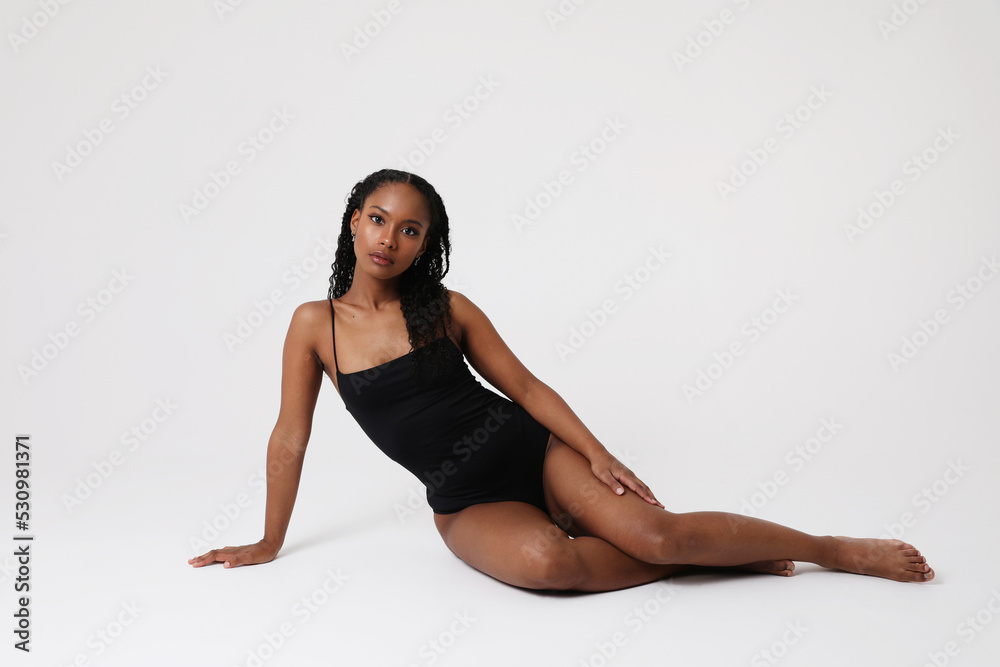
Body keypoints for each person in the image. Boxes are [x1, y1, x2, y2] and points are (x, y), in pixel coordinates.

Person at [188, 168, 935, 591]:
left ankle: (830, 547)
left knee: (661, 533)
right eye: (379, 219)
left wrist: (598, 453)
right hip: (467, 501)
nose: (390, 238)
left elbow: (526, 387)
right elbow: (289, 437)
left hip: (533, 451)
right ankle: (720, 559)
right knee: (550, 564)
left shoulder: (448, 309)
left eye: (410, 229)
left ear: (425, 244)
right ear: (354, 221)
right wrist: (268, 540)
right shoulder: (313, 325)